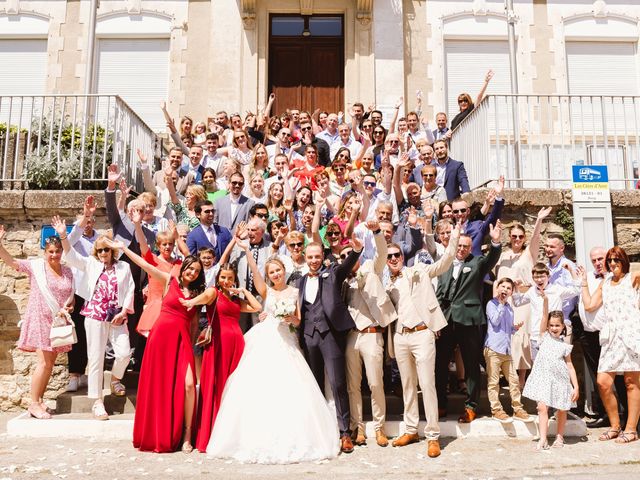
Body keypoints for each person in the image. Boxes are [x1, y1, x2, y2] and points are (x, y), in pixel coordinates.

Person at [206, 253, 339, 463]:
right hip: (265, 338)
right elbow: (256, 275)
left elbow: (298, 321)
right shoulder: (266, 290)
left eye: (278, 270)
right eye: (271, 272)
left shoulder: (296, 291)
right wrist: (246, 251)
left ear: (284, 271)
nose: (275, 274)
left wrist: (291, 319)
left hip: (286, 339)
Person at [110, 239, 205, 453]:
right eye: (190, 268)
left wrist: (191, 345)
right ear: (184, 268)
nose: (192, 273)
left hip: (182, 341)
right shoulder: (170, 280)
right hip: (160, 338)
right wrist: (124, 249)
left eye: (197, 271)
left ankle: (188, 434)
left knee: (190, 384)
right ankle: (157, 431)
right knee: (159, 386)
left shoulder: (198, 295)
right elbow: (147, 266)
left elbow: (193, 326)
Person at [385, 220, 460, 458]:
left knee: (427, 385)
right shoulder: (387, 284)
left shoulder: (417, 271)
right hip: (400, 336)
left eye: (397, 254)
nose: (394, 259)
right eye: (390, 257)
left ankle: (432, 435)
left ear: (402, 256)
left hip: (422, 334)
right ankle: (410, 429)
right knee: (408, 387)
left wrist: (455, 237)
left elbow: (445, 263)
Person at [52, 217, 135, 421]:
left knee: (124, 353)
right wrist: (63, 235)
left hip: (117, 315)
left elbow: (131, 289)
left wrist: (124, 311)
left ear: (112, 250)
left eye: (106, 249)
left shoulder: (123, 267)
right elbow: (70, 255)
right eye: (100, 250)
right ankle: (97, 401)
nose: (103, 253)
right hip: (95, 314)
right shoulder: (90, 264)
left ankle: (116, 379)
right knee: (96, 357)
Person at [180, 263, 261, 452]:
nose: (226, 281)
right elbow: (205, 296)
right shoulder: (213, 293)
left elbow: (257, 306)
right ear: (218, 278)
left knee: (231, 389)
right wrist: (191, 302)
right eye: (223, 277)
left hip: (236, 346)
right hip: (217, 346)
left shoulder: (235, 299)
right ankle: (207, 436)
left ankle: (229, 435)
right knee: (214, 387)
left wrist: (242, 291)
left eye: (230, 278)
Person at [297, 236, 364, 453]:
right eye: (310, 257)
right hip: (309, 336)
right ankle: (318, 431)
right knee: (314, 385)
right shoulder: (299, 281)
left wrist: (356, 250)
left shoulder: (332, 273)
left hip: (330, 335)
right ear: (305, 258)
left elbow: (346, 265)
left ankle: (345, 433)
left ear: (322, 256)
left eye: (317, 256)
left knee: (337, 384)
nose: (314, 260)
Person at [0, 227, 74, 419]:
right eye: (51, 251)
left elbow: (70, 295)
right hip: (40, 319)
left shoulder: (67, 271)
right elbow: (12, 262)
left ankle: (39, 400)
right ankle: (33, 404)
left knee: (50, 364)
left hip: (57, 322)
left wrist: (70, 306)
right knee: (43, 363)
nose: (55, 255)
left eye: (57, 251)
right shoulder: (36, 267)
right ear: (45, 252)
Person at [435, 221, 503, 423]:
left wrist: (496, 242)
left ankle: (471, 406)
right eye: (459, 246)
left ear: (470, 247)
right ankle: (440, 404)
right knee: (440, 365)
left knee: (472, 364)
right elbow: (439, 293)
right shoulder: (445, 265)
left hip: (469, 319)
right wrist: (436, 321)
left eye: (466, 246)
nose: (462, 249)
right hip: (446, 321)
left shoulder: (478, 262)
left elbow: (492, 258)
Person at [343, 220, 397, 447]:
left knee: (376, 383)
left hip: (372, 333)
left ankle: (379, 428)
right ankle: (358, 428)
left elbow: (382, 253)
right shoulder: (341, 280)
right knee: (353, 386)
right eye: (345, 255)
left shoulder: (370, 267)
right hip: (351, 336)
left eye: (351, 253)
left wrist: (376, 232)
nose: (349, 258)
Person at [579, 246, 640, 444]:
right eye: (610, 261)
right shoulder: (604, 284)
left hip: (631, 335)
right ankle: (615, 426)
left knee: (632, 383)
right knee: (603, 382)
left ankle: (631, 430)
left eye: (617, 260)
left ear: (624, 261)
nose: (613, 264)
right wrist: (583, 284)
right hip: (611, 337)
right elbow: (589, 306)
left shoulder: (632, 278)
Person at [493, 207, 550, 389]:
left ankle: (522, 380)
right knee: (505, 338)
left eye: (520, 236)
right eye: (514, 236)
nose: (517, 239)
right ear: (509, 238)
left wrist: (539, 220)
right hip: (505, 302)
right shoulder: (502, 256)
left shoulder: (528, 254)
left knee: (521, 338)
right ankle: (508, 376)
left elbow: (535, 239)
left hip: (523, 302)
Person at [522, 302, 579, 451]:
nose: (554, 328)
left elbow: (570, 366)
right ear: (547, 326)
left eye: (557, 326)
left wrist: (576, 386)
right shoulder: (543, 337)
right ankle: (543, 438)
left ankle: (560, 436)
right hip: (543, 379)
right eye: (551, 325)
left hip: (560, 380)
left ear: (562, 327)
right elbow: (543, 316)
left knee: (561, 409)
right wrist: (545, 301)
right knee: (541, 408)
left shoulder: (565, 346)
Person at [484, 278, 532, 423]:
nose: (505, 289)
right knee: (493, 382)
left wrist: (514, 328)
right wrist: (501, 304)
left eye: (508, 288)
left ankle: (518, 409)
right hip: (493, 349)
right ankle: (496, 410)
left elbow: (505, 328)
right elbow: (495, 322)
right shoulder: (491, 304)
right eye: (502, 286)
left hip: (506, 350)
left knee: (514, 380)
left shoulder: (510, 307)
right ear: (497, 288)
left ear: (511, 292)